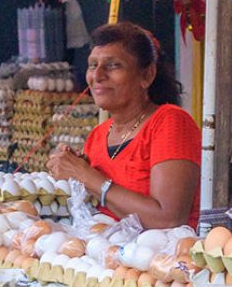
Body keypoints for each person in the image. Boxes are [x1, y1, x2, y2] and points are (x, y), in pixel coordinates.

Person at [47, 22, 201, 229]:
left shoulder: (170, 122)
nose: (98, 76)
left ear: (146, 76)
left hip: (161, 258)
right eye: (93, 65)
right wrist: (74, 171)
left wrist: (87, 176)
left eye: (113, 65)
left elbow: (169, 219)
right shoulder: (98, 136)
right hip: (107, 256)